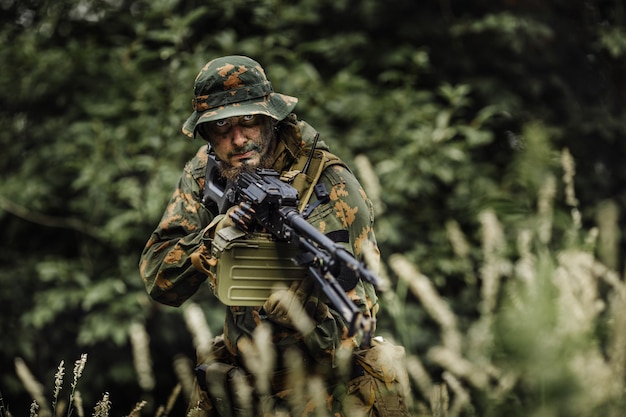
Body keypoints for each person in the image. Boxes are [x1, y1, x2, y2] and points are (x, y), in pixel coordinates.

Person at [139, 55, 410, 417]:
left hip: (325, 394)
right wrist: (213, 237)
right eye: (222, 127)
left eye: (249, 120)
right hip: (243, 390)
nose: (238, 139)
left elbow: (354, 332)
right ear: (206, 134)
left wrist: (306, 316)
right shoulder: (207, 171)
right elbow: (159, 278)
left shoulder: (332, 187)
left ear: (270, 116)